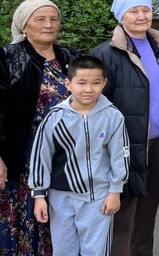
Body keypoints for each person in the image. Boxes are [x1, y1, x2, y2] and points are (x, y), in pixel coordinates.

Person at [90, 0, 159, 256]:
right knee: (123, 211)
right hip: (124, 144)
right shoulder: (105, 54)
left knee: (148, 208)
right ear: (120, 16)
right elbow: (94, 106)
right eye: (133, 11)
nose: (141, 16)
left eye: (145, 10)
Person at [0, 0, 81, 254]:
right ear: (24, 25)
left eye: (54, 19)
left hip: (65, 153)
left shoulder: (71, 57)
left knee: (62, 218)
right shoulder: (7, 57)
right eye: (40, 19)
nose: (48, 24)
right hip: (22, 153)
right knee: (24, 215)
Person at [28, 55, 128, 256]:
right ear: (68, 84)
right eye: (81, 83)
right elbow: (41, 157)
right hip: (61, 199)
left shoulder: (112, 116)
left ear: (104, 83)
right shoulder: (55, 118)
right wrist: (39, 195)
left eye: (96, 83)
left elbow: (120, 155)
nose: (88, 89)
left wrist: (115, 191)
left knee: (96, 251)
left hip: (98, 198)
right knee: (63, 250)